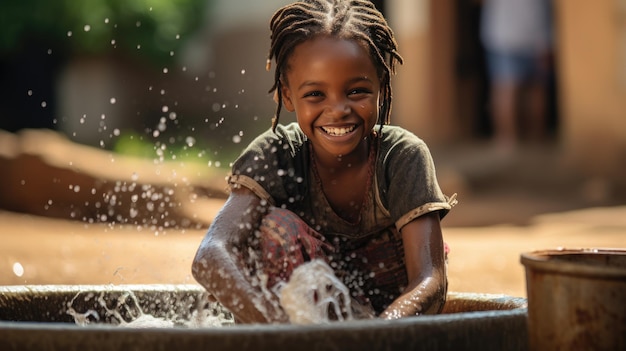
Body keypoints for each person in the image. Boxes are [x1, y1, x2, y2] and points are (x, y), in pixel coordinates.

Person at [192, 0, 456, 324]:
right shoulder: (278, 155)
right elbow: (211, 255)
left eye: (357, 91)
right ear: (287, 96)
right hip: (298, 325)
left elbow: (431, 280)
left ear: (382, 90)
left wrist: (377, 335)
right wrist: (277, 329)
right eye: (316, 94)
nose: (338, 109)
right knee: (275, 230)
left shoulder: (400, 157)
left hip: (384, 318)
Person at [480, 0, 554, 153]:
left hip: (502, 35)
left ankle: (507, 141)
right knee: (536, 88)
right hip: (536, 37)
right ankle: (536, 139)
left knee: (505, 89)